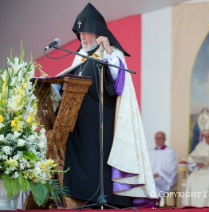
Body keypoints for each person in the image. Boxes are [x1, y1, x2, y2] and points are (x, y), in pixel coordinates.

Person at [56, 3, 157, 208]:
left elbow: (117, 86)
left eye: (87, 33)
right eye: (80, 33)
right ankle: (79, 197)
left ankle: (108, 200)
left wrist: (108, 50)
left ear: (98, 33)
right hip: (79, 122)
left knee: (99, 163)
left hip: (103, 123)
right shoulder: (80, 56)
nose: (83, 38)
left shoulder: (113, 55)